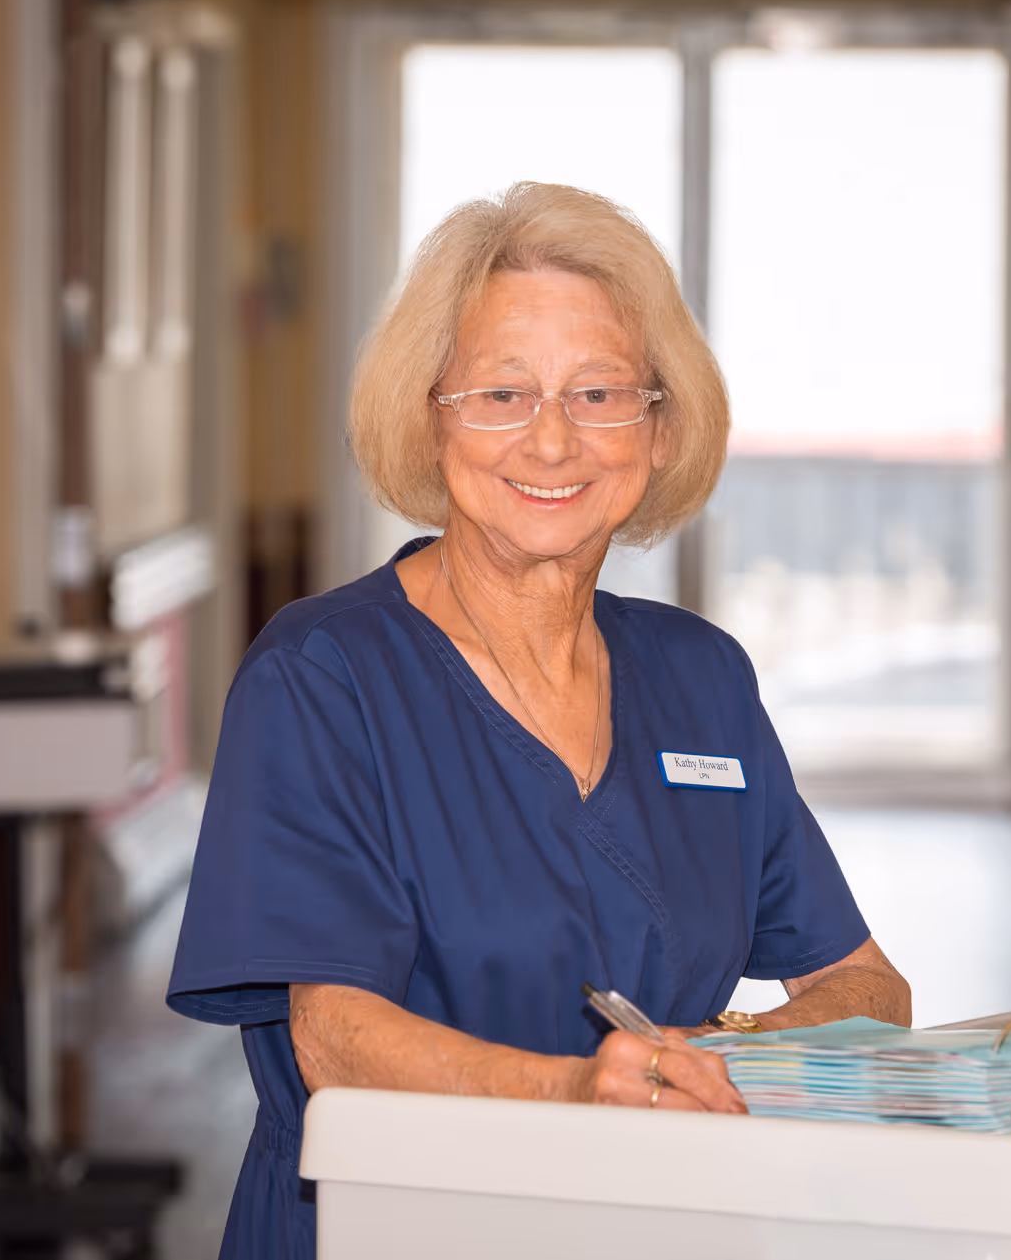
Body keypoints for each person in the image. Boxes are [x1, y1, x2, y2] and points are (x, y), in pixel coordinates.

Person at [168, 182, 910, 1258]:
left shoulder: (702, 679)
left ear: (660, 431)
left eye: (601, 393)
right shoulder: (323, 676)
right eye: (501, 394)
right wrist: (584, 1095)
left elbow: (866, 990)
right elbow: (337, 1041)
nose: (554, 442)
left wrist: (709, 1055)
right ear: (430, 420)